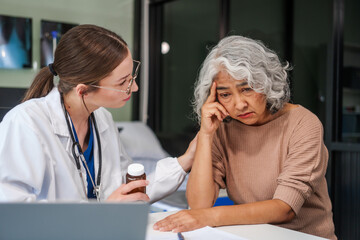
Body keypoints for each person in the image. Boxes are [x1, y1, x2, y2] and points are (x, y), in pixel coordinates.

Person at [153, 35, 337, 240]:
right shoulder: (223, 129)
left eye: (247, 89)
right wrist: (205, 135)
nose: (239, 104)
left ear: (266, 81)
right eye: (225, 94)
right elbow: (199, 205)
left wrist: (205, 217)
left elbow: (284, 208)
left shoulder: (303, 123)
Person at [0, 24, 195, 203]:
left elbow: (129, 189)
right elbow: (12, 216)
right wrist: (105, 211)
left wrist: (186, 160)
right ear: (83, 90)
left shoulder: (102, 119)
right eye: (123, 82)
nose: (134, 88)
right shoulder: (25, 124)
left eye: (132, 78)